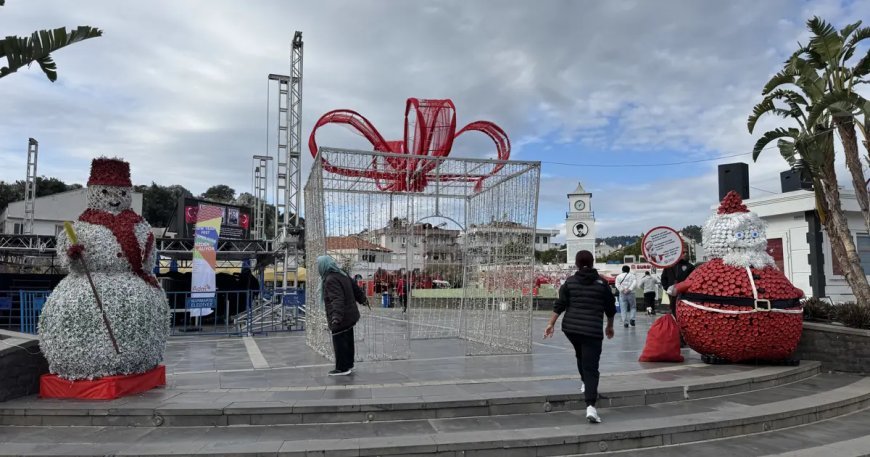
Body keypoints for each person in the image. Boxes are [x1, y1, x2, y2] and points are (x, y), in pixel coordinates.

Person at [544, 250, 616, 424]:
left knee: (580, 355)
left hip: (571, 329)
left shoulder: (570, 282)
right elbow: (610, 307)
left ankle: (585, 383)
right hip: (592, 330)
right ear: (592, 263)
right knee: (591, 367)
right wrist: (610, 326)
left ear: (576, 264)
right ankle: (591, 406)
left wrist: (550, 324)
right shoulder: (602, 283)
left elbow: (560, 304)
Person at [317, 255, 368, 376]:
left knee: (340, 342)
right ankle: (349, 364)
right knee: (348, 341)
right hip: (350, 316)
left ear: (324, 266)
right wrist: (363, 299)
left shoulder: (330, 279)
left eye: (319, 265)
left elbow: (337, 299)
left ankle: (342, 368)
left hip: (342, 317)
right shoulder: (342, 274)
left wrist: (336, 317)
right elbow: (356, 288)